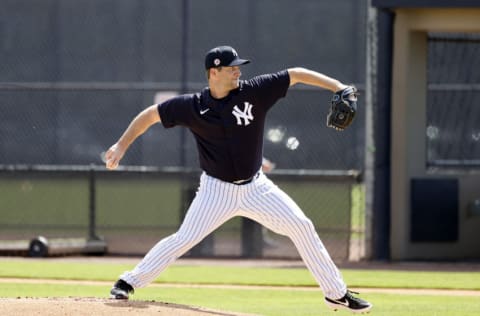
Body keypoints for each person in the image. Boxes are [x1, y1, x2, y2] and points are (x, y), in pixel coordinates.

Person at [105, 45, 372, 313]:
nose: (237, 72)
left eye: (238, 67)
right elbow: (150, 114)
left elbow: (297, 74)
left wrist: (338, 86)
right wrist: (120, 145)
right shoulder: (193, 106)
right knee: (184, 238)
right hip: (215, 191)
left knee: (302, 226)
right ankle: (128, 281)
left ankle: (336, 293)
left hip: (257, 188)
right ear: (213, 72)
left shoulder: (255, 91)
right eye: (231, 68)